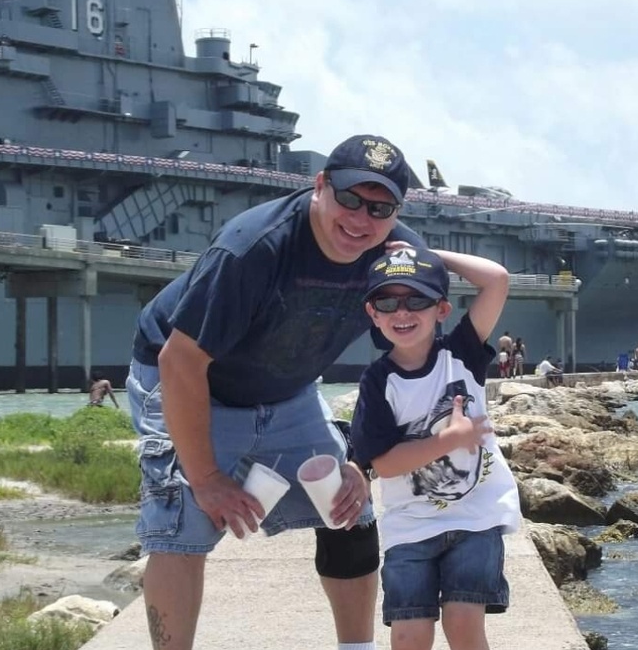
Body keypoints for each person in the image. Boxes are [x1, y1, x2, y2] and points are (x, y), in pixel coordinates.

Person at [126, 134, 422, 650]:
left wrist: (362, 461)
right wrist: (208, 476)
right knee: (183, 528)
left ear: (397, 211)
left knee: (349, 511)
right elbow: (180, 360)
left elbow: (408, 362)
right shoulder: (254, 248)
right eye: (349, 198)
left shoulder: (396, 261)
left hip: (286, 389)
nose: (361, 219)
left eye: (381, 207)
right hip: (192, 382)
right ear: (320, 186)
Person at [350, 246, 520, 650]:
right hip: (411, 526)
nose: (402, 312)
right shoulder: (377, 382)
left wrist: (425, 253)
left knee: (464, 626)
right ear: (372, 312)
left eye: (418, 300)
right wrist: (448, 440)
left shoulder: (460, 353)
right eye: (387, 301)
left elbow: (496, 279)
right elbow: (385, 465)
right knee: (409, 636)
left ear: (441, 310)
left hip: (475, 520)